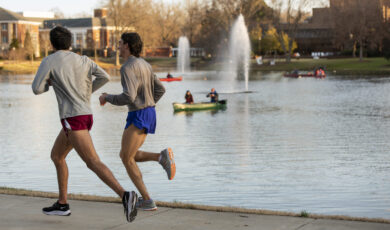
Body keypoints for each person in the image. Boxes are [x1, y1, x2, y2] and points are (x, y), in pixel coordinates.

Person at [31, 26, 138, 222]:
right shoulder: (83, 59)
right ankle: (62, 204)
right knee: (57, 156)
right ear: (69, 42)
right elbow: (104, 77)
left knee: (92, 162)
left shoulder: (49, 61)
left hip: (73, 119)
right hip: (84, 116)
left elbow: (37, 89)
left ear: (52, 43)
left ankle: (126, 195)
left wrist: (52, 82)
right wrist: (86, 93)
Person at [99, 32, 176, 211]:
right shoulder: (145, 65)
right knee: (128, 155)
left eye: (119, 43)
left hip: (139, 113)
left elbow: (128, 96)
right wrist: (149, 103)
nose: (118, 46)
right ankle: (160, 157)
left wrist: (107, 97)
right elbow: (161, 89)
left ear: (127, 45)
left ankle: (147, 200)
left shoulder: (127, 67)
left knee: (126, 158)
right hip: (147, 113)